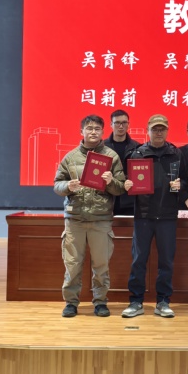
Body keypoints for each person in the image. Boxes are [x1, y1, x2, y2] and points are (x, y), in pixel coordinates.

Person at [53, 114, 126, 318]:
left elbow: (121, 188)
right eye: (89, 128)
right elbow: (57, 185)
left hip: (101, 220)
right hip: (75, 220)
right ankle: (71, 303)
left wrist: (111, 182)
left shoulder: (111, 157)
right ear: (82, 131)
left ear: (103, 132)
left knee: (101, 266)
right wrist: (67, 186)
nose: (93, 132)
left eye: (97, 129)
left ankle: (100, 302)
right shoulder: (70, 157)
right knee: (72, 265)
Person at [121, 114, 187, 319]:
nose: (158, 132)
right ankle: (136, 301)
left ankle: (163, 301)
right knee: (138, 260)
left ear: (167, 131)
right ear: (147, 131)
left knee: (166, 261)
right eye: (155, 129)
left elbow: (187, 181)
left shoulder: (176, 154)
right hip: (143, 216)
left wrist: (181, 185)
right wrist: (127, 184)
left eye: (162, 129)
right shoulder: (137, 154)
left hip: (167, 216)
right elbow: (124, 181)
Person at [103, 109, 141, 216]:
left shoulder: (138, 147)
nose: (121, 126)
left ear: (128, 124)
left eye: (124, 123)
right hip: (107, 198)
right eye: (117, 123)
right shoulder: (102, 147)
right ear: (111, 124)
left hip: (130, 200)